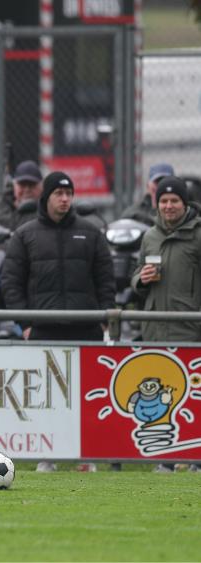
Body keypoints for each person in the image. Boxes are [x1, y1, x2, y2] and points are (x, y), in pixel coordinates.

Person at [2, 171, 115, 473]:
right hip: (44, 329)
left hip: (86, 328)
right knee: (46, 396)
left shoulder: (90, 233)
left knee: (85, 397)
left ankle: (85, 457)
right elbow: (11, 283)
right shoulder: (25, 235)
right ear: (46, 197)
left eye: (69, 193)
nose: (65, 199)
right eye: (58, 194)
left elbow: (106, 280)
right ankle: (46, 456)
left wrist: (106, 318)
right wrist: (24, 322)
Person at [131, 176, 201, 474]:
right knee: (161, 397)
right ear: (157, 204)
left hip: (190, 330)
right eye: (164, 201)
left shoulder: (198, 236)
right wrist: (140, 280)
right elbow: (135, 279)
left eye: (174, 201)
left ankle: (197, 458)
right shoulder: (150, 237)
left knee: (195, 397)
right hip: (156, 330)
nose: (169, 206)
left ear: (185, 204)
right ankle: (166, 458)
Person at [0, 160, 42, 231]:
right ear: (14, 185)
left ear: (41, 187)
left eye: (32, 185)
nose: (27, 189)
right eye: (22, 184)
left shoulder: (46, 211)